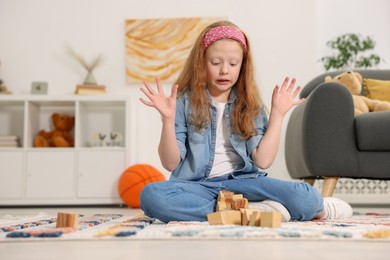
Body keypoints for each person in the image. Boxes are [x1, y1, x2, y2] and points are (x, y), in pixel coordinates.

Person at [139, 20, 353, 223]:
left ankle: (322, 208)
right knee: (151, 196)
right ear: (201, 63)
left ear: (242, 65)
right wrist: (167, 120)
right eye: (215, 62)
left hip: (246, 182)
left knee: (307, 198)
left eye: (233, 63)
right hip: (196, 186)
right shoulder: (183, 102)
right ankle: (248, 210)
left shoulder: (250, 103)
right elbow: (170, 163)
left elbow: (263, 160)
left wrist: (278, 114)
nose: (224, 70)